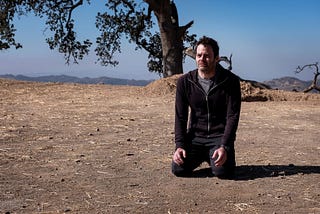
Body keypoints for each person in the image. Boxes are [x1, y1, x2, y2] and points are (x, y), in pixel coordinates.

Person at [172, 36, 241, 178]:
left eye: (207, 56)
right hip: (195, 138)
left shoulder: (231, 81)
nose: (202, 59)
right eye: (199, 55)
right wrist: (179, 146)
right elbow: (180, 117)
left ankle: (215, 159)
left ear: (216, 58)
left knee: (223, 173)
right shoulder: (185, 82)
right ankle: (203, 157)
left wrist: (225, 146)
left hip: (218, 138)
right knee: (178, 169)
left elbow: (232, 117)